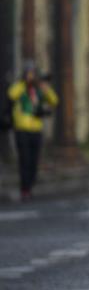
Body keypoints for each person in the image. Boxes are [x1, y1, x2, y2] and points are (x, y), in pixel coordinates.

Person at [7, 62, 57, 201]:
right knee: (25, 160)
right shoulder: (20, 88)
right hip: (21, 128)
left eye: (33, 73)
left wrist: (45, 88)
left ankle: (30, 185)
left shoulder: (39, 89)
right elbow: (11, 94)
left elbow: (54, 101)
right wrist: (24, 83)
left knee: (34, 161)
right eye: (28, 73)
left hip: (36, 128)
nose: (31, 76)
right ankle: (25, 189)